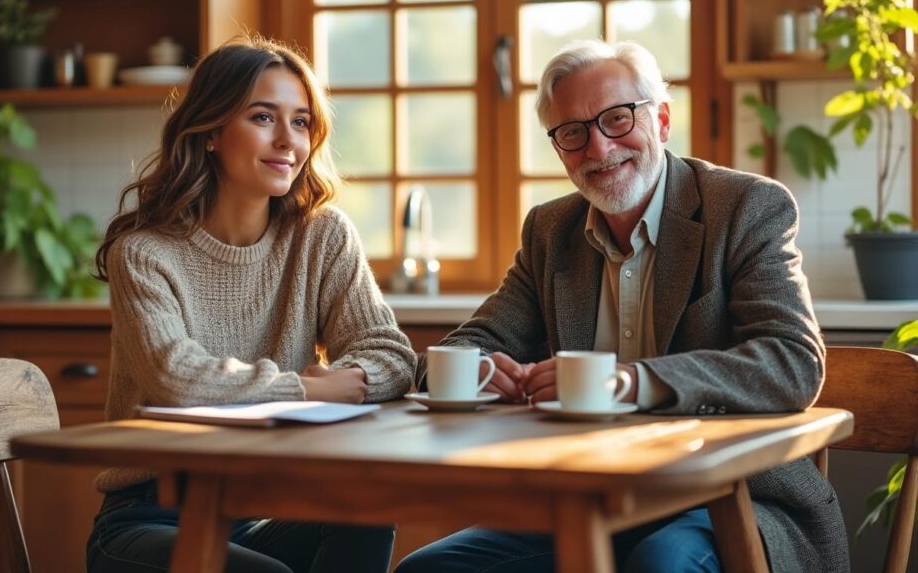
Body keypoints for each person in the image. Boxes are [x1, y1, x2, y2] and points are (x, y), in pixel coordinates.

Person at [395, 39, 848, 573]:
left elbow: (793, 363)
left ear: (662, 120)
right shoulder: (550, 230)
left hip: (736, 499)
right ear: (559, 149)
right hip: (594, 499)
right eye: (573, 132)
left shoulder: (746, 207)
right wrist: (477, 370)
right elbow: (467, 345)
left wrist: (630, 382)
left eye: (617, 118)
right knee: (430, 569)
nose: (599, 148)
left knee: (662, 563)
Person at [86, 35, 417, 573]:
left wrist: (353, 376)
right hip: (152, 515)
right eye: (263, 117)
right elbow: (177, 380)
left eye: (301, 122)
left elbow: (392, 354)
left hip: (267, 505)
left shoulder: (321, 235)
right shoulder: (144, 253)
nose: (288, 140)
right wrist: (307, 390)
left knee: (366, 507)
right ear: (211, 132)